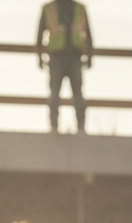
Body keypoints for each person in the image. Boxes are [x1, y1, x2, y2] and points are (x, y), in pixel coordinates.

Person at [36, 0, 93, 133]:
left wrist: (89, 56)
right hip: (56, 57)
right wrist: (39, 56)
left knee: (77, 94)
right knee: (54, 94)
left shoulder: (80, 9)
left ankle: (81, 127)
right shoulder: (48, 9)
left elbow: (88, 34)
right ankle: (54, 127)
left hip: (75, 57)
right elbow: (39, 34)